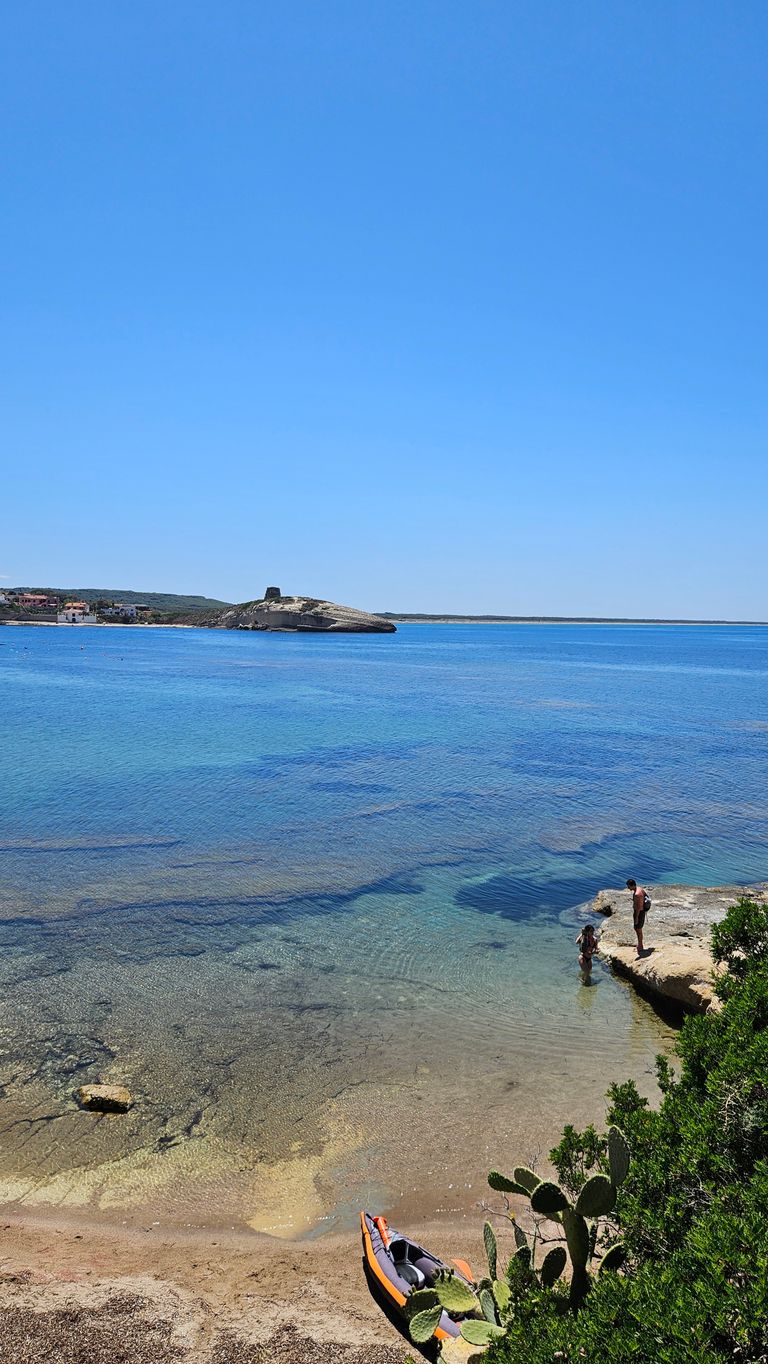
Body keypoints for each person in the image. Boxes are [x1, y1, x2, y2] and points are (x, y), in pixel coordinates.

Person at [626, 878, 649, 954]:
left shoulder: (637, 894)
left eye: (628, 886)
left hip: (639, 913)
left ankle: (640, 946)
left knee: (638, 929)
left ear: (632, 885)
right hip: (641, 912)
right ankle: (640, 944)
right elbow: (646, 896)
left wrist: (636, 918)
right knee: (639, 929)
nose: (628, 888)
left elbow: (639, 908)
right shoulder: (640, 888)